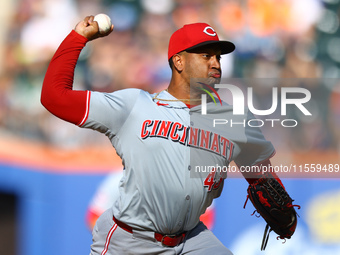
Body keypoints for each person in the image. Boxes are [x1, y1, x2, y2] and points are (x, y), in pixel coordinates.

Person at [41, 15, 286, 255]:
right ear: (178, 62)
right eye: (205, 55)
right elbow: (54, 97)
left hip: (191, 238)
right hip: (130, 239)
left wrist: (273, 193)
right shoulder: (134, 105)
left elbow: (261, 174)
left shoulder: (234, 120)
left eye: (218, 57)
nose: (216, 63)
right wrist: (78, 38)